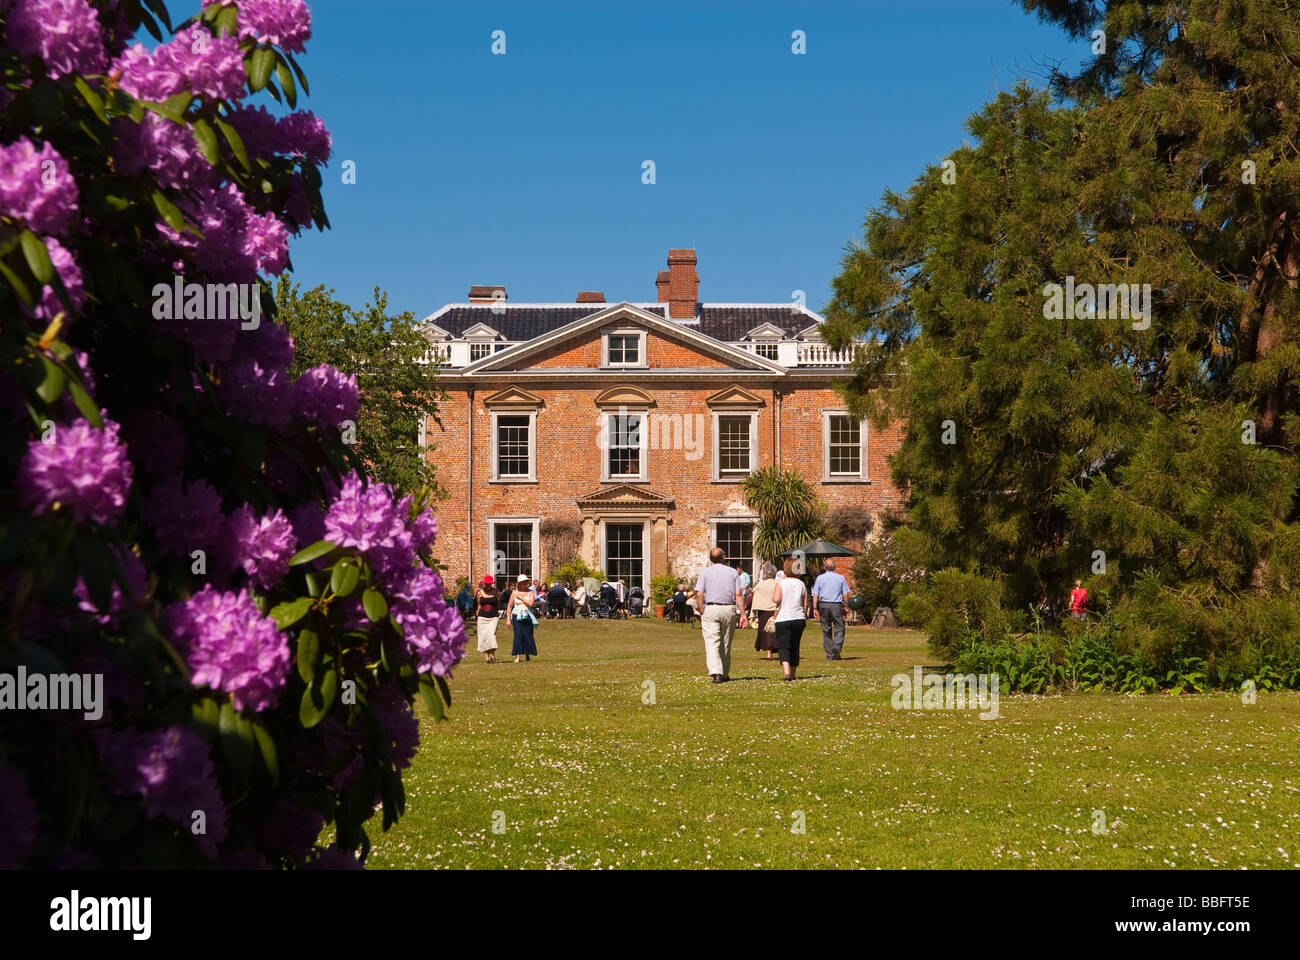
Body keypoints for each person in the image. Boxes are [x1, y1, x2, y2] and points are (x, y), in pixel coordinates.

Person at [695, 547, 747, 683]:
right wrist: (743, 614)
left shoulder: (705, 572)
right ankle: (724, 673)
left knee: (712, 642)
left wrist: (701, 609)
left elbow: (699, 594)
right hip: (728, 608)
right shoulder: (733, 572)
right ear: (723, 557)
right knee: (725, 642)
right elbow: (738, 594)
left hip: (711, 608)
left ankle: (716, 673)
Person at [772, 558, 810, 680]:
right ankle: (793, 673)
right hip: (798, 617)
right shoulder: (802, 584)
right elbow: (805, 604)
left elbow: (776, 599)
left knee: (783, 645)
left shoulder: (781, 583)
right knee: (795, 645)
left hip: (784, 618)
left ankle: (787, 671)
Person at [812, 558, 850, 660]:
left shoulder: (820, 578)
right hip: (836, 605)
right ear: (835, 567)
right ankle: (837, 647)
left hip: (824, 605)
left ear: (825, 567)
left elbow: (815, 594)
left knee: (826, 629)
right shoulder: (841, 578)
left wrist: (815, 608)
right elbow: (845, 594)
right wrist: (846, 607)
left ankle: (830, 654)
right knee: (839, 627)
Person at [750, 562, 780, 659]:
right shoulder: (778, 584)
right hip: (775, 611)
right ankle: (774, 651)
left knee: (765, 632)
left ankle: (768, 652)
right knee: (775, 632)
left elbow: (755, 598)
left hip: (763, 611)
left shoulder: (760, 585)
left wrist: (753, 613)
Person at [510, 574, 538, 662]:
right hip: (516, 615)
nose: (524, 584)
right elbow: (509, 606)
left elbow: (530, 603)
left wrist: (521, 598)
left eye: (525, 582)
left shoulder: (531, 592)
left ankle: (527, 654)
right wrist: (508, 619)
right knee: (518, 635)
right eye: (522, 582)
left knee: (528, 635)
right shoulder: (514, 592)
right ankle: (517, 656)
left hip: (527, 615)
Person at [475, 575, 500, 663]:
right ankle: (487, 657)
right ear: (484, 584)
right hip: (482, 616)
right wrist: (477, 613)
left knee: (491, 636)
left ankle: (492, 655)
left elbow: (498, 603)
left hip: (493, 616)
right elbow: (479, 604)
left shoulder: (496, 592)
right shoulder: (480, 592)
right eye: (487, 584)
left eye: (490, 584)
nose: (488, 585)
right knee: (483, 637)